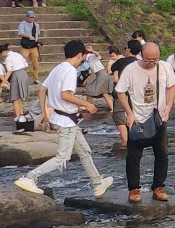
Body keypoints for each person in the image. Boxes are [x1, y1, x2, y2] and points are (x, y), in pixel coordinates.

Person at [15, 39, 115, 199]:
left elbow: (42, 89)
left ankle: (97, 183)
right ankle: (29, 177)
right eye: (83, 56)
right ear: (80, 55)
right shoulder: (69, 70)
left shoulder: (58, 68)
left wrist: (45, 114)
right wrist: (86, 104)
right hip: (66, 121)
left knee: (84, 151)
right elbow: (65, 95)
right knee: (63, 157)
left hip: (64, 117)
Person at [116, 42, 175, 204]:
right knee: (134, 156)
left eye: (155, 60)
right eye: (148, 60)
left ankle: (158, 187)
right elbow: (120, 91)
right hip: (137, 118)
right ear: (141, 55)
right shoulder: (131, 69)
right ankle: (134, 190)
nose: (152, 63)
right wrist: (128, 113)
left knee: (162, 154)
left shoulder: (164, 67)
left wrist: (168, 106)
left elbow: (171, 87)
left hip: (158, 117)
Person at [0, 39, 35, 131]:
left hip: (16, 74)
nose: (2, 56)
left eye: (1, 54)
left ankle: (18, 115)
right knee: (19, 97)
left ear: (4, 52)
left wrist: (3, 82)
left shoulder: (8, 58)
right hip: (24, 74)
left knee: (14, 97)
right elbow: (26, 65)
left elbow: (9, 71)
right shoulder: (17, 54)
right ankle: (21, 114)